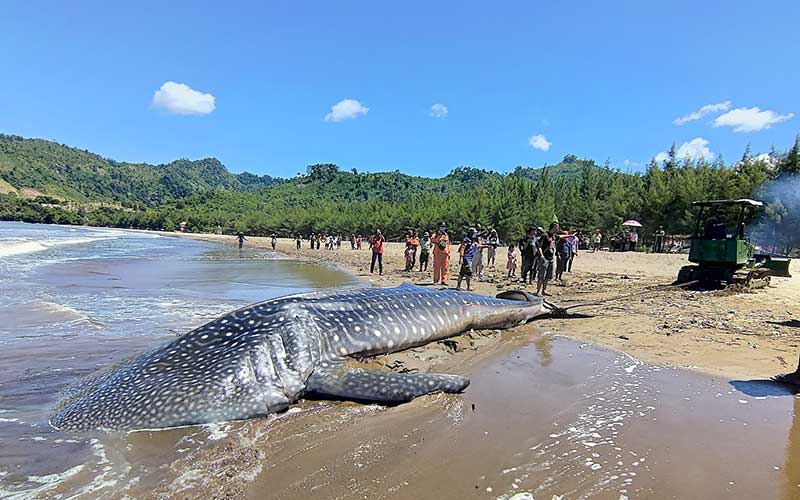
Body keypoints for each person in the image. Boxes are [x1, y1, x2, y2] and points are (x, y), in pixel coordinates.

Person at [536, 222, 558, 296]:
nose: (557, 229)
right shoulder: (545, 235)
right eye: (556, 227)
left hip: (551, 257)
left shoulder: (554, 236)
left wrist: (571, 235)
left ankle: (544, 291)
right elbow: (539, 246)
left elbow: (561, 236)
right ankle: (538, 291)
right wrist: (541, 255)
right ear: (553, 227)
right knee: (542, 275)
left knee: (548, 276)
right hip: (545, 257)